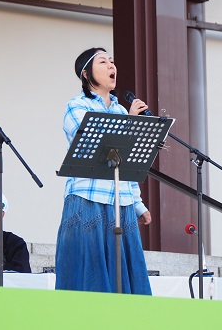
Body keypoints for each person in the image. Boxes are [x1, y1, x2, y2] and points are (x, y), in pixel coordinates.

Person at [54, 47, 152, 294]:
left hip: (122, 202)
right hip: (87, 198)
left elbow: (127, 164)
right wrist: (131, 122)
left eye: (112, 61)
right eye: (103, 62)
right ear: (86, 74)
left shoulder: (121, 110)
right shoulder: (75, 106)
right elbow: (97, 143)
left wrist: (138, 204)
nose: (112, 66)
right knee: (89, 275)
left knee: (125, 277)